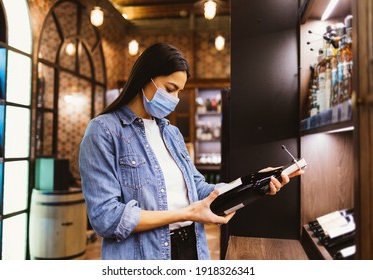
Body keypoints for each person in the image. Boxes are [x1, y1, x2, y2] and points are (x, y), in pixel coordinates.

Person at [78, 42, 303, 260]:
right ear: (145, 78)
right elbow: (106, 218)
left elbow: (198, 189)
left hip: (192, 248)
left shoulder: (171, 133)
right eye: (170, 89)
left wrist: (253, 182)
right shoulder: (104, 131)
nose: (175, 99)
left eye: (179, 92)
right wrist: (186, 214)